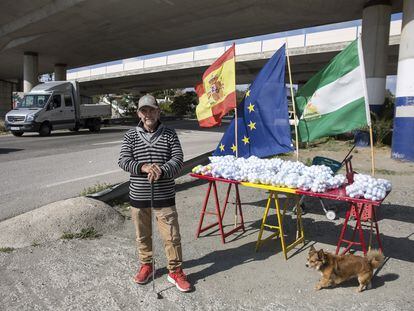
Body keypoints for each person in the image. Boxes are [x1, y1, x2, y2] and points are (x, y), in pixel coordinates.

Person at [118, 94, 192, 293]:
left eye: (151, 109)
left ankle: (175, 271)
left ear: (159, 111)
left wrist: (162, 169)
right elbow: (123, 160)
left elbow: (178, 159)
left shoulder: (169, 133)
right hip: (139, 196)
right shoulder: (130, 136)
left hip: (164, 195)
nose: (148, 114)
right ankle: (147, 265)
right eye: (144, 110)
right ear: (139, 114)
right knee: (143, 235)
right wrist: (142, 167)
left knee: (172, 236)